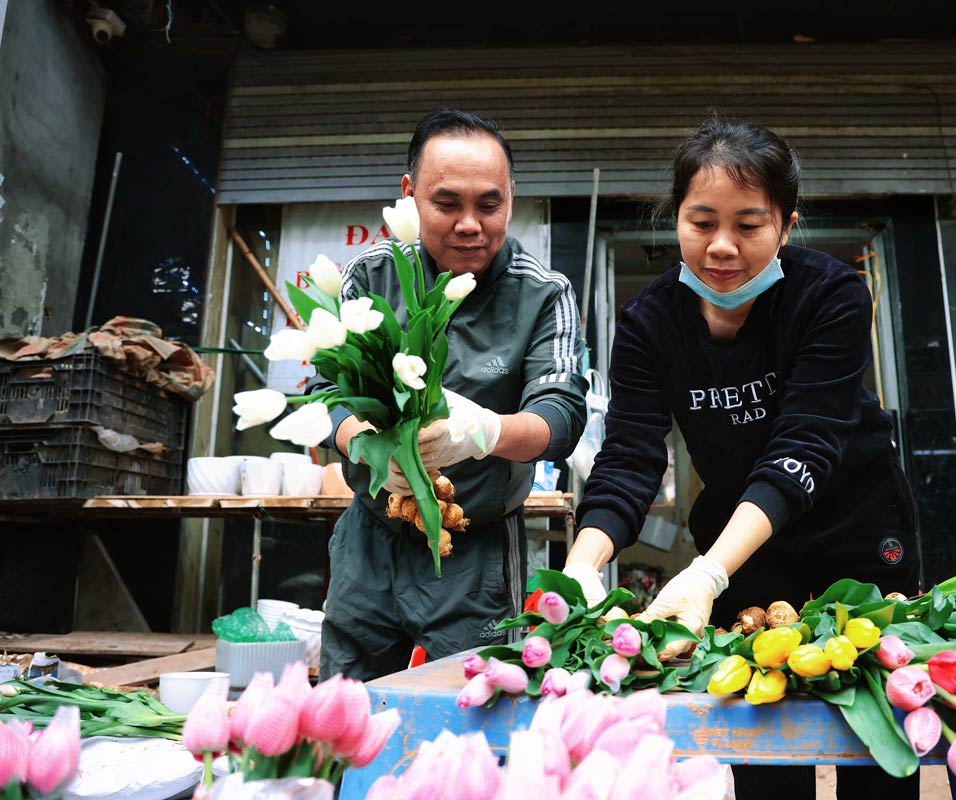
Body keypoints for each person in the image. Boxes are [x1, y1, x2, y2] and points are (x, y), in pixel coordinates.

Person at [561, 115, 922, 799]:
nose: (722, 247)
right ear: (677, 221)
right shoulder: (649, 323)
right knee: (762, 753)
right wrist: (584, 565)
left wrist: (706, 576)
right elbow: (631, 458)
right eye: (701, 223)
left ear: (786, 226)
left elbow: (805, 444)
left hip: (854, 530)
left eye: (749, 225)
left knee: (877, 743)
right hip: (748, 552)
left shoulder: (830, 296)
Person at [317, 109, 587, 681]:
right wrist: (366, 445)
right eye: (447, 204)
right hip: (371, 534)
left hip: (477, 546)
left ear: (512, 197)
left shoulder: (543, 295)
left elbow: (560, 417)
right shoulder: (372, 277)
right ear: (410, 195)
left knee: (473, 713)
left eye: (489, 205)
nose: (470, 224)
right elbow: (328, 392)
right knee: (348, 710)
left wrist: (484, 432)